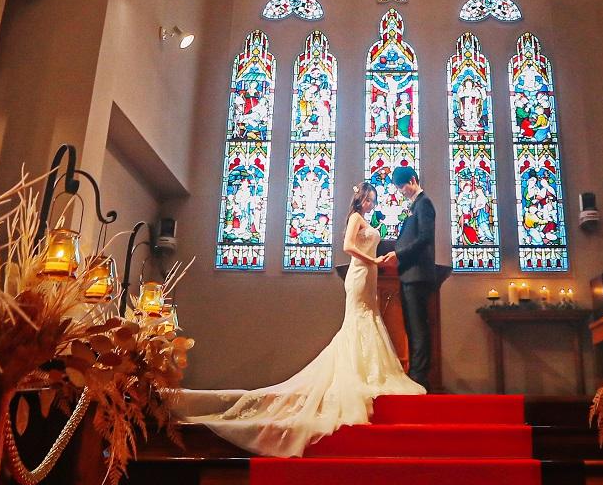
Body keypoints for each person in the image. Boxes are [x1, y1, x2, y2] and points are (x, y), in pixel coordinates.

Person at [172, 181, 423, 456]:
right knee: (359, 320)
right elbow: (349, 246)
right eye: (368, 200)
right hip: (361, 272)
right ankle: (358, 372)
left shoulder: (365, 219)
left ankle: (369, 370)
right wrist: (372, 261)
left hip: (370, 274)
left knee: (369, 317)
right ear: (360, 199)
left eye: (374, 200)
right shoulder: (355, 218)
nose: (371, 204)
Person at [376, 165, 438, 388]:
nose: (400, 191)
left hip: (417, 275)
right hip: (408, 274)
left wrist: (398, 254)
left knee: (418, 327)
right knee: (411, 327)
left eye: (401, 186)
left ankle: (420, 377)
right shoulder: (415, 206)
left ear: (412, 180)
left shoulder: (424, 204)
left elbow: (424, 238)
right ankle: (415, 374)